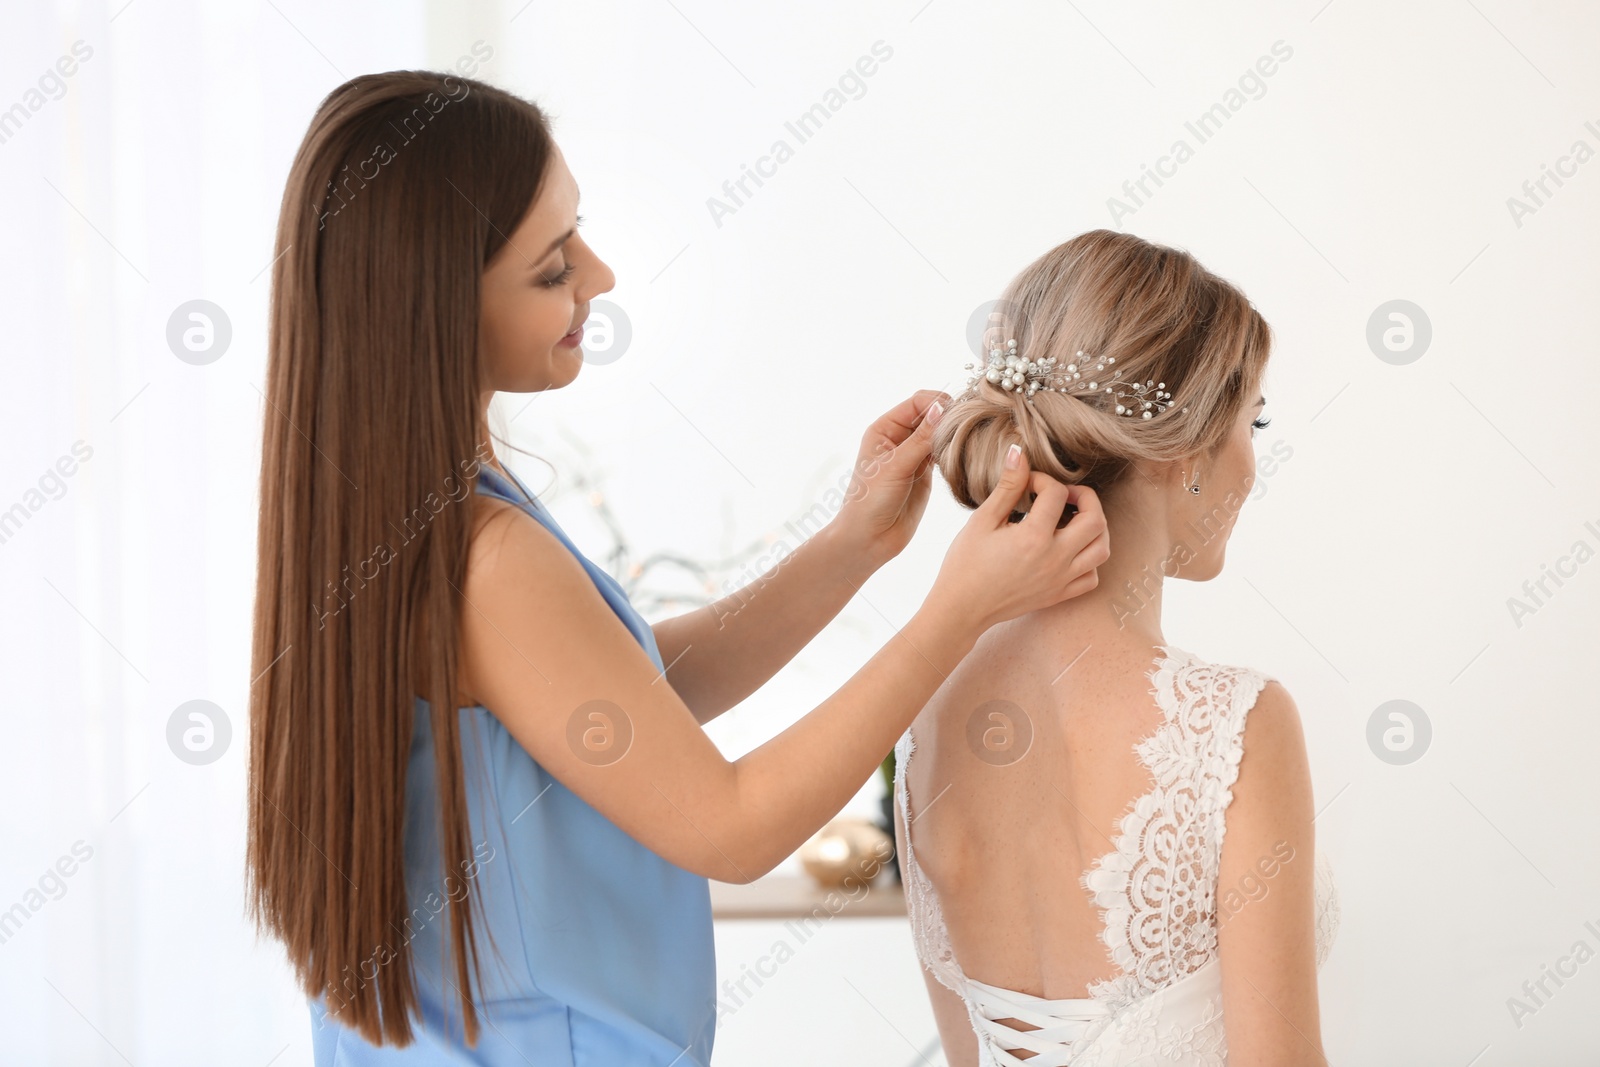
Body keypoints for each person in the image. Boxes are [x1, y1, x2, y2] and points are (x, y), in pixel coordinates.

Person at [244, 70, 1110, 1066]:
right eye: (551, 265)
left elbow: (629, 699)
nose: (600, 277)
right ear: (433, 304)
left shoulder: (418, 518)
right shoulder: (487, 558)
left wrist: (849, 547)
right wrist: (954, 613)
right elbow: (732, 828)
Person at [893, 229, 1340, 1066]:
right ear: (1185, 451)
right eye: (1254, 420)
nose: (1253, 460)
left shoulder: (925, 719)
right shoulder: (1234, 725)